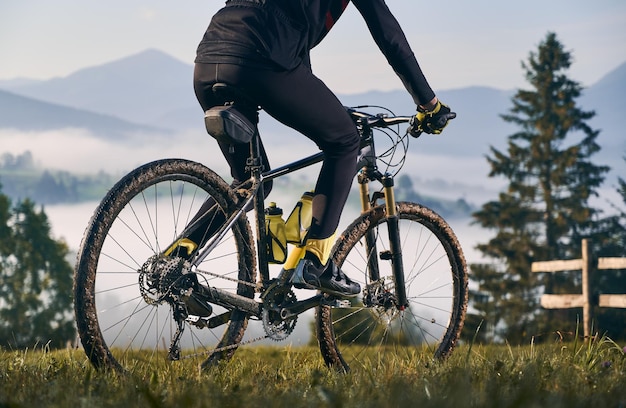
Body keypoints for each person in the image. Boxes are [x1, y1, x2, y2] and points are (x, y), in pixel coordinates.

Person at [185, 0, 455, 298]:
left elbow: (288, 37)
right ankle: (315, 262)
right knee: (345, 141)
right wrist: (428, 103)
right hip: (262, 60)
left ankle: (177, 260)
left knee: (251, 184)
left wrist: (324, 105)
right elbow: (388, 34)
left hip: (208, 61)